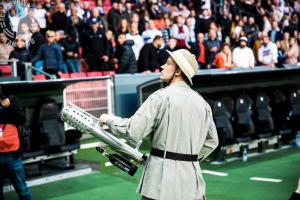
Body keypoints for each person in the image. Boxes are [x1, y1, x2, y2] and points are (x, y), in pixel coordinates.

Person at [99, 49, 219, 200]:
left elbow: (134, 131)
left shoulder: (160, 97)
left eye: (168, 63)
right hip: (193, 185)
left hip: (160, 185)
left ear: (178, 72)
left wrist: (109, 120)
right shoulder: (203, 104)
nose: (162, 66)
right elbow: (212, 141)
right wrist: (189, 159)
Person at [0, 87, 32, 200]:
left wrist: (9, 107)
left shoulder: (12, 99)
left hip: (12, 153)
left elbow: (21, 119)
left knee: (22, 190)